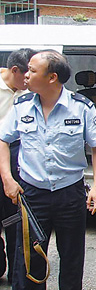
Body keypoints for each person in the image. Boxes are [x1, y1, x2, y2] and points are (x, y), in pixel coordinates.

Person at [0, 50, 96, 290]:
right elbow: (3, 140)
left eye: (33, 71)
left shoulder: (81, 108)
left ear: (52, 78)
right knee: (29, 262)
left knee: (71, 260)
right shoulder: (21, 105)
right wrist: (7, 178)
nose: (26, 75)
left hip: (70, 194)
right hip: (32, 195)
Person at [0, 48, 36, 283]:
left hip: (15, 164)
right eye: (26, 75)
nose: (29, 80)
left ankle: (17, 276)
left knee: (14, 220)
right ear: (14, 71)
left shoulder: (31, 93)